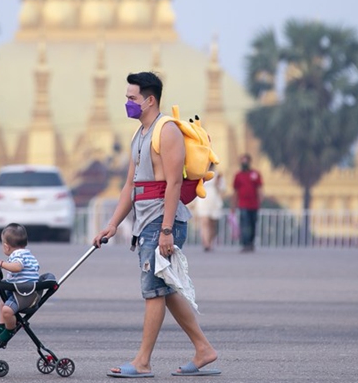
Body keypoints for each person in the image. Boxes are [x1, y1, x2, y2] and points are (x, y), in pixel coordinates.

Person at [93, 71, 219, 378]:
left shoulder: (167, 131)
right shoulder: (139, 135)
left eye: (132, 98)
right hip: (146, 222)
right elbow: (130, 187)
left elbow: (174, 183)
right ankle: (204, 349)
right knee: (164, 289)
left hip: (164, 223)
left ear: (150, 100)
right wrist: (112, 224)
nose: (128, 103)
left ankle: (143, 362)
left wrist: (165, 231)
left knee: (153, 291)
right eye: (126, 98)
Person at [0, 223, 40, 344]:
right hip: (22, 291)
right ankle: (2, 326)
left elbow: (17, 267)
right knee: (3, 304)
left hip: (24, 295)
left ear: (6, 247)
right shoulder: (27, 254)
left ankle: (10, 329)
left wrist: (1, 263)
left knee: (6, 310)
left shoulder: (17, 255)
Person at [231, 154, 263, 253]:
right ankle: (245, 244)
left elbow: (259, 189)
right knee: (244, 224)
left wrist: (260, 201)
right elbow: (235, 192)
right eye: (242, 161)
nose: (244, 163)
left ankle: (251, 243)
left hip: (254, 204)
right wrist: (233, 205)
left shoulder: (255, 174)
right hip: (243, 204)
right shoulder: (238, 176)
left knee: (253, 224)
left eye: (246, 161)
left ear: (249, 162)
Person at [192, 165, 226, 252]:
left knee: (212, 224)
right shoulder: (200, 175)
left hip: (214, 201)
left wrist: (217, 184)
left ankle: (210, 242)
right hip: (203, 201)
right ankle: (206, 243)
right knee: (204, 222)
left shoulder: (218, 175)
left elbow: (222, 190)